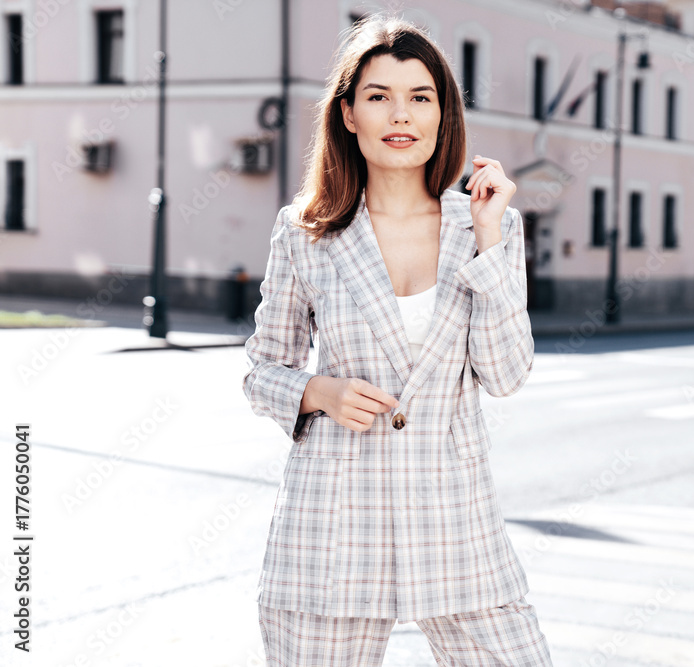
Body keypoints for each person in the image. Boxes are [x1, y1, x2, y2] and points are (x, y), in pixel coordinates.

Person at [241, 12, 554, 667]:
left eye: (420, 97)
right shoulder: (307, 231)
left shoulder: (487, 225)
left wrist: (492, 240)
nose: (400, 114)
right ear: (349, 114)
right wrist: (317, 390)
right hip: (331, 531)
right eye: (379, 96)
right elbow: (263, 369)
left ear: (443, 115)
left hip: (456, 527)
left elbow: (505, 373)